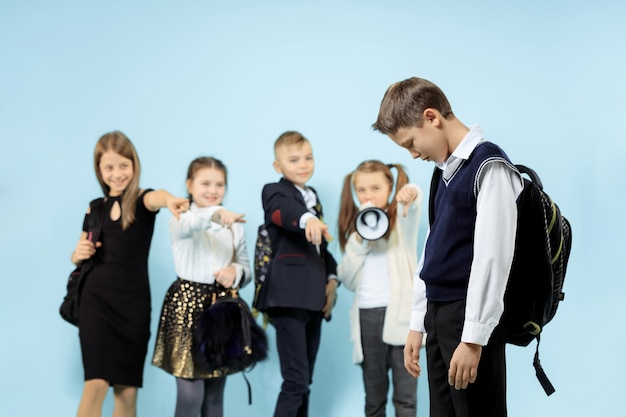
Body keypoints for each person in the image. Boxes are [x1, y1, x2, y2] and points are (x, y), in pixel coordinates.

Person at [372, 77, 524, 417]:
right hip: (438, 316)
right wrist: (417, 322)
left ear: (431, 117)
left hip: (467, 317)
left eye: (411, 143)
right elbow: (433, 249)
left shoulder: (490, 166)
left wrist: (473, 340)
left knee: (477, 411)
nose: (413, 154)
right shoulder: (444, 172)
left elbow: (492, 259)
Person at [70, 130, 189, 417]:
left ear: (134, 165)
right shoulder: (94, 208)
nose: (117, 173)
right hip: (95, 302)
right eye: (109, 167)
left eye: (124, 165)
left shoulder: (141, 201)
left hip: (133, 306)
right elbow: (80, 253)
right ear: (99, 169)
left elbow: (157, 197)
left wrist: (170, 199)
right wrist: (76, 254)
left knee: (126, 392)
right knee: (96, 384)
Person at [151, 156, 251, 417]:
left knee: (215, 397)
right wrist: (218, 214)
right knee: (190, 397)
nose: (213, 190)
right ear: (189, 185)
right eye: (205, 183)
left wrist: (236, 272)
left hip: (221, 307)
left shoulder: (234, 226)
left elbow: (245, 267)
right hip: (186, 306)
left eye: (220, 184)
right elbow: (196, 222)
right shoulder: (181, 218)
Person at [254, 131, 339, 417]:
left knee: (305, 381)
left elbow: (321, 251)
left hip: (314, 300)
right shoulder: (275, 192)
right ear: (278, 167)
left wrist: (332, 280)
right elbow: (281, 210)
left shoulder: (313, 198)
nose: (303, 164)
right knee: (296, 380)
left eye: (308, 157)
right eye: (293, 160)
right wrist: (307, 218)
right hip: (288, 298)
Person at [337, 160, 423, 417]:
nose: (368, 195)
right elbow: (348, 280)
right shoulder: (356, 236)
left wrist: (411, 194)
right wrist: (360, 240)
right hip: (366, 317)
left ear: (389, 187)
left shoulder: (401, 225)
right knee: (374, 398)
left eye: (375, 188)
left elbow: (413, 210)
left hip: (402, 317)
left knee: (405, 398)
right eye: (361, 190)